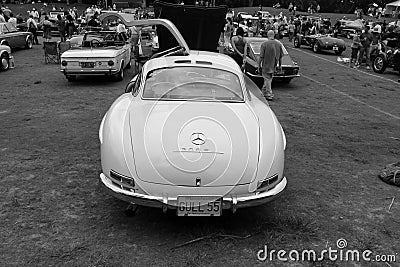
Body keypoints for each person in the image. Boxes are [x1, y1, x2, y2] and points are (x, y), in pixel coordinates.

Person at [258, 30, 283, 101]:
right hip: (274, 65)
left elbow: (261, 56)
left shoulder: (264, 44)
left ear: (267, 35)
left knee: (267, 79)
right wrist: (280, 65)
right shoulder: (279, 44)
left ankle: (269, 94)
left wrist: (259, 65)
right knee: (268, 79)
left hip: (266, 65)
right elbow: (281, 56)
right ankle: (263, 93)